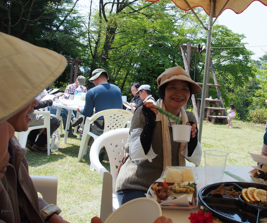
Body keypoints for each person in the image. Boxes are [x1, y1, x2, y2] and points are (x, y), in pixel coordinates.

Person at [0, 20, 72, 222]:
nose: (35, 101)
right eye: (21, 91)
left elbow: (19, 196)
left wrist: (50, 217)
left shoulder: (10, 145)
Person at [116, 66, 202, 205]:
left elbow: (194, 157)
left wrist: (192, 138)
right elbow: (136, 155)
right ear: (163, 91)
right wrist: (150, 124)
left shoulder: (189, 117)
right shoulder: (144, 112)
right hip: (137, 184)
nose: (179, 93)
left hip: (174, 185)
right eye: (173, 87)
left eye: (185, 88)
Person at [77, 68, 123, 135]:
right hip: (117, 127)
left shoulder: (92, 92)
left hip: (101, 128)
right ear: (106, 78)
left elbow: (88, 113)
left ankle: (92, 144)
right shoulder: (118, 90)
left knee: (83, 129)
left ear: (95, 79)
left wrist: (80, 110)